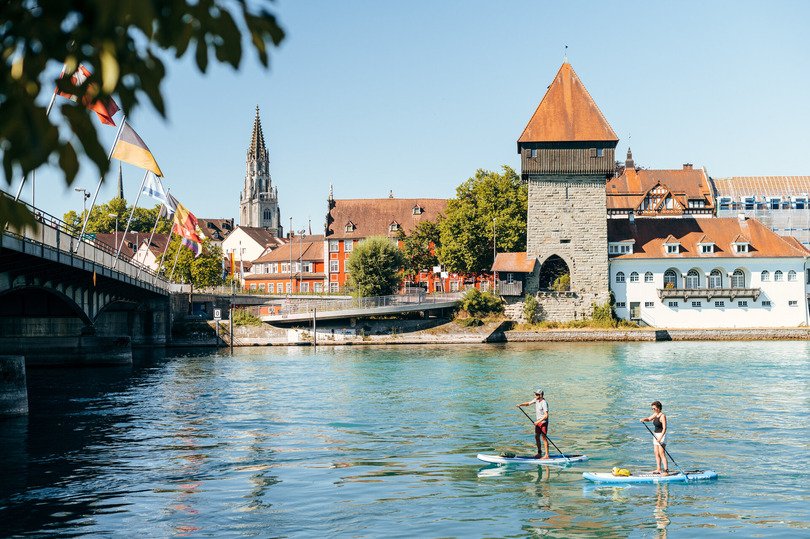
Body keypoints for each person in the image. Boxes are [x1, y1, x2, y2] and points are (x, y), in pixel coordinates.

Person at [517, 388, 549, 459]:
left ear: (541, 395)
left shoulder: (544, 403)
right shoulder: (536, 400)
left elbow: (546, 415)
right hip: (538, 422)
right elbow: (528, 403)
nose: (535, 395)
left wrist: (538, 421)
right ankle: (539, 453)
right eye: (535, 394)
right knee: (537, 437)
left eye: (537, 394)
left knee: (544, 438)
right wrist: (520, 405)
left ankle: (547, 455)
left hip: (543, 422)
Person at [640, 400, 668, 474]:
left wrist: (660, 438)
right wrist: (643, 419)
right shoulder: (655, 414)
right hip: (655, 435)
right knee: (656, 452)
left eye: (654, 408)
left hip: (661, 435)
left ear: (658, 408)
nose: (653, 410)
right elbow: (649, 419)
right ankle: (658, 469)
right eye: (652, 408)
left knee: (661, 453)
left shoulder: (662, 416)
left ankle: (666, 470)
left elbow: (665, 428)